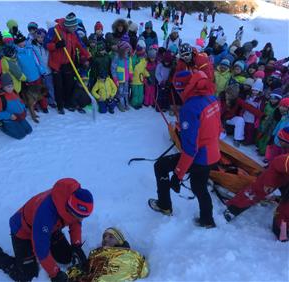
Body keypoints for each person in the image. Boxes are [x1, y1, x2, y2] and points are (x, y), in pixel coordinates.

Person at [0, 178, 93, 282]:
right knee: (27, 275)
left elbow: (75, 222)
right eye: (79, 216)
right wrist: (55, 273)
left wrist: (76, 245)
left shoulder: (72, 202)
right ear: (69, 209)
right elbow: (40, 248)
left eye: (84, 216)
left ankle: (51, 242)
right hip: (23, 232)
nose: (81, 220)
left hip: (50, 229)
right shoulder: (45, 214)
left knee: (66, 257)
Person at [148, 70, 221, 228]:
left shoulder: (190, 108)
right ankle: (207, 220)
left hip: (200, 156)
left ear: (182, 88)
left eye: (178, 90)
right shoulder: (210, 97)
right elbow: (213, 127)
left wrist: (178, 175)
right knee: (198, 186)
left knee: (160, 166)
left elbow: (189, 150)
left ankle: (164, 205)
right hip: (213, 152)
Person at [224, 152, 289, 241]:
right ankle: (233, 208)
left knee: (286, 209)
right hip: (278, 174)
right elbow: (277, 163)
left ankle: (281, 228)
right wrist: (269, 183)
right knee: (255, 191)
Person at [45, 12, 90, 114]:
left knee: (68, 85)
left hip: (68, 62)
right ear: (68, 25)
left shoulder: (74, 33)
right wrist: (56, 45)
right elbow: (46, 44)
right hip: (56, 64)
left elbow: (81, 46)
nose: (75, 29)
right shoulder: (55, 30)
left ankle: (67, 103)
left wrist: (88, 57)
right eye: (73, 27)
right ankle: (60, 105)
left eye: (75, 27)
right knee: (58, 86)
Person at [67, 227, 149, 281]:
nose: (105, 239)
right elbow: (85, 272)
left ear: (119, 241)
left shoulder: (128, 256)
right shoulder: (95, 256)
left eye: (111, 237)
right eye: (104, 237)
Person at [0, 73, 32, 139]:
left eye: (12, 86)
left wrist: (23, 109)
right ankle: (3, 127)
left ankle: (17, 126)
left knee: (29, 130)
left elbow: (20, 102)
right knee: (21, 135)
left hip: (19, 117)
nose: (11, 88)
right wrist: (9, 116)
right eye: (8, 87)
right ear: (2, 86)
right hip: (9, 119)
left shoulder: (14, 92)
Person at [111, 41, 132, 112]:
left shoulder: (128, 57)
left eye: (128, 49)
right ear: (122, 49)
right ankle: (121, 104)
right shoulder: (117, 57)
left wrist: (130, 74)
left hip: (126, 78)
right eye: (126, 49)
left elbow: (129, 66)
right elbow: (113, 68)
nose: (128, 51)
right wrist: (115, 78)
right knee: (120, 92)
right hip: (120, 78)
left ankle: (126, 103)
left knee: (126, 91)